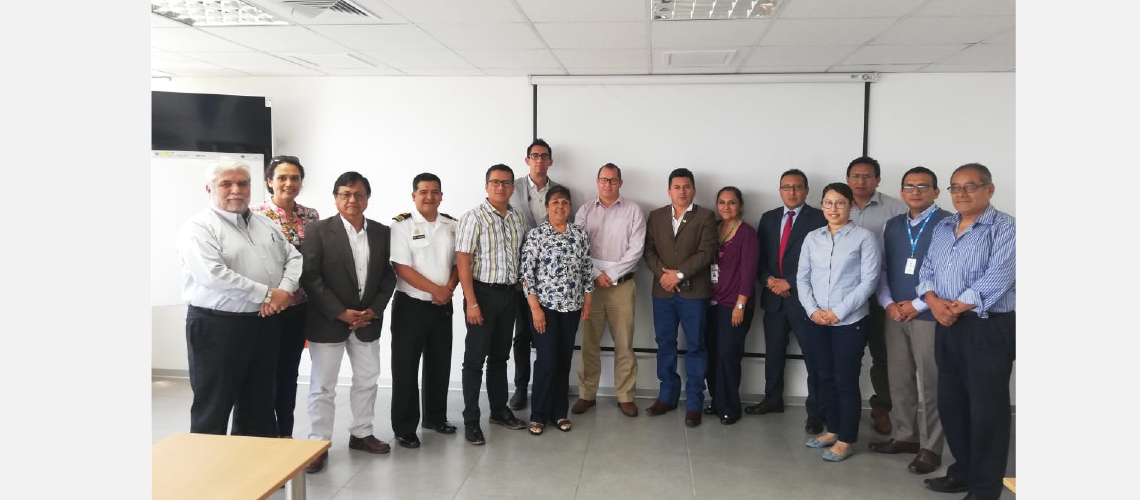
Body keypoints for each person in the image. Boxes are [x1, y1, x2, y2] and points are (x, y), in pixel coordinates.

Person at [176, 157, 301, 438]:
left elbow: (293, 257)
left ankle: (255, 465)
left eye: (242, 183)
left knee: (259, 403)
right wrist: (268, 294)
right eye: (226, 184)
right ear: (209, 188)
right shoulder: (198, 228)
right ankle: (209, 466)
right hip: (217, 327)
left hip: (264, 323)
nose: (236, 190)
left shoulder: (264, 224)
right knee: (214, 405)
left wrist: (283, 291)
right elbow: (213, 275)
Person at [918, 164, 1015, 500]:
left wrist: (952, 308)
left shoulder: (1006, 228)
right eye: (955, 187)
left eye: (970, 186)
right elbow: (927, 269)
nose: (961, 193)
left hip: (987, 327)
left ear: (989, 189)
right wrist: (933, 302)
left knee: (987, 411)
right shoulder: (944, 227)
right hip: (947, 324)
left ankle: (985, 488)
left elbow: (998, 277)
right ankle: (963, 472)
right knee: (952, 404)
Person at [300, 172, 397, 473]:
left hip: (367, 322)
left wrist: (373, 310)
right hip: (328, 321)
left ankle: (362, 433)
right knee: (322, 386)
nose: (352, 200)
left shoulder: (382, 232)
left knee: (367, 379)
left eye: (358, 194)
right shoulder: (317, 230)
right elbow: (310, 277)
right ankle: (318, 444)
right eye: (345, 194)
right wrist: (340, 312)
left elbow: (388, 275)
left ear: (367, 198)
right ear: (335, 197)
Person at [868, 167, 951, 474]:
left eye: (923, 186)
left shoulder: (948, 224)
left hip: (929, 315)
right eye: (909, 187)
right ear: (902, 193)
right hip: (895, 314)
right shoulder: (892, 225)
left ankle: (931, 447)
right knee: (899, 378)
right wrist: (888, 304)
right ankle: (905, 436)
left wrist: (917, 305)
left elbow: (950, 273)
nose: (915, 192)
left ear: (936, 192)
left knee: (931, 382)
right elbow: (883, 269)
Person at [797, 182, 881, 462]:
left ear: (851, 206)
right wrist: (813, 310)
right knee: (825, 377)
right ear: (822, 205)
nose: (833, 209)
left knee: (845, 379)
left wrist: (839, 312)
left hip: (850, 322)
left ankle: (846, 439)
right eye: (828, 203)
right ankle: (833, 430)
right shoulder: (812, 238)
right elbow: (802, 278)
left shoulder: (864, 238)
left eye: (840, 203)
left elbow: (869, 281)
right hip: (816, 321)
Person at [744, 169, 828, 435]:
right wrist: (769, 280)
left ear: (806, 190)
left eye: (797, 187)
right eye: (786, 187)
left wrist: (789, 282)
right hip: (774, 299)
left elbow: (822, 260)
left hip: (805, 300)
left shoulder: (819, 218)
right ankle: (772, 399)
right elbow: (759, 257)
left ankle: (816, 412)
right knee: (773, 353)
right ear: (780, 190)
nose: (792, 192)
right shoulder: (768, 218)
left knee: (813, 357)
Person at [456, 164, 529, 445]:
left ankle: (499, 410)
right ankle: (471, 420)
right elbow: (463, 261)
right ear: (486, 186)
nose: (501, 187)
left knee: (500, 357)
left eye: (506, 183)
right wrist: (471, 302)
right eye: (495, 182)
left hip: (508, 296)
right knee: (474, 360)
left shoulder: (517, 217)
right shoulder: (473, 218)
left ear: (512, 187)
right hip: (482, 296)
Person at [388, 173, 461, 449]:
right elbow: (401, 268)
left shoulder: (452, 225)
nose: (429, 197)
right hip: (411, 306)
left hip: (442, 304)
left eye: (434, 192)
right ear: (414, 196)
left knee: (439, 363)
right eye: (423, 192)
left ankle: (435, 417)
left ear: (441, 196)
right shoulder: (401, 226)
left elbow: (459, 262)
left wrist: (448, 289)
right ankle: (405, 427)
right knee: (405, 367)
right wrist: (436, 290)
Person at [643, 168, 718, 427]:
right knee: (665, 343)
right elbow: (648, 251)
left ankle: (695, 402)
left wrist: (679, 274)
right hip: (662, 291)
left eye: (687, 186)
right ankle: (667, 396)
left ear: (694, 190)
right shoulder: (656, 216)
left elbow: (707, 252)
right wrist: (664, 276)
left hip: (694, 293)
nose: (682, 191)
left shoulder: (706, 216)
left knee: (696, 345)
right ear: (669, 191)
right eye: (677, 187)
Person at [571, 163, 646, 418]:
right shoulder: (585, 211)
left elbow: (636, 249)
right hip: (591, 287)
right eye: (604, 180)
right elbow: (578, 246)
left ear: (620, 183)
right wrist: (595, 275)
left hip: (622, 286)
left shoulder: (633, 211)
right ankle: (586, 394)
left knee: (624, 344)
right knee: (589, 342)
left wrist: (611, 275)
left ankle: (625, 396)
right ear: (597, 181)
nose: (608, 184)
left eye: (613, 180)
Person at [520, 186, 594, 435]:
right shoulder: (537, 235)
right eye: (555, 202)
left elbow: (587, 270)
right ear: (547, 207)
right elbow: (527, 275)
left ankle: (559, 412)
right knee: (547, 361)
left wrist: (587, 301)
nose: (560, 206)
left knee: (563, 361)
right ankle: (539, 414)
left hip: (571, 308)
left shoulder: (579, 234)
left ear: (569, 206)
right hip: (545, 309)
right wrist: (535, 309)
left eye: (564, 202)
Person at [255, 155, 320, 439]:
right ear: (269, 182)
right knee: (264, 373)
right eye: (282, 177)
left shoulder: (310, 216)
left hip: (299, 307)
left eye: (295, 177)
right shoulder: (255, 215)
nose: (289, 183)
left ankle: (285, 434)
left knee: (288, 372)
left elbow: (314, 259)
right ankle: (266, 435)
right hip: (267, 307)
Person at [845, 156, 907, 435]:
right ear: (848, 179)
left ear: (877, 180)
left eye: (867, 176)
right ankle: (844, 408)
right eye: (855, 176)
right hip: (846, 293)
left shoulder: (896, 209)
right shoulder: (837, 206)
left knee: (883, 354)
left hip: (882, 294)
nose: (860, 181)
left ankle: (883, 407)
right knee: (848, 354)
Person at [508, 138, 563, 412]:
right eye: (534, 155)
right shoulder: (512, 188)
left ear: (550, 161)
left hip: (552, 280)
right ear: (527, 160)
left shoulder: (560, 192)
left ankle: (548, 387)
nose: (539, 160)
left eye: (544, 156)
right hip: (522, 275)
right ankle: (521, 387)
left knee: (549, 336)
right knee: (522, 335)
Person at [702, 187, 759, 425]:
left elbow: (749, 273)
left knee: (728, 356)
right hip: (710, 303)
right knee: (712, 354)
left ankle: (730, 407)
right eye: (722, 202)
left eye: (732, 202)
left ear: (740, 205)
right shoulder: (713, 228)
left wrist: (740, 305)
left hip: (734, 305)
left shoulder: (747, 233)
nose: (726, 207)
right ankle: (717, 401)